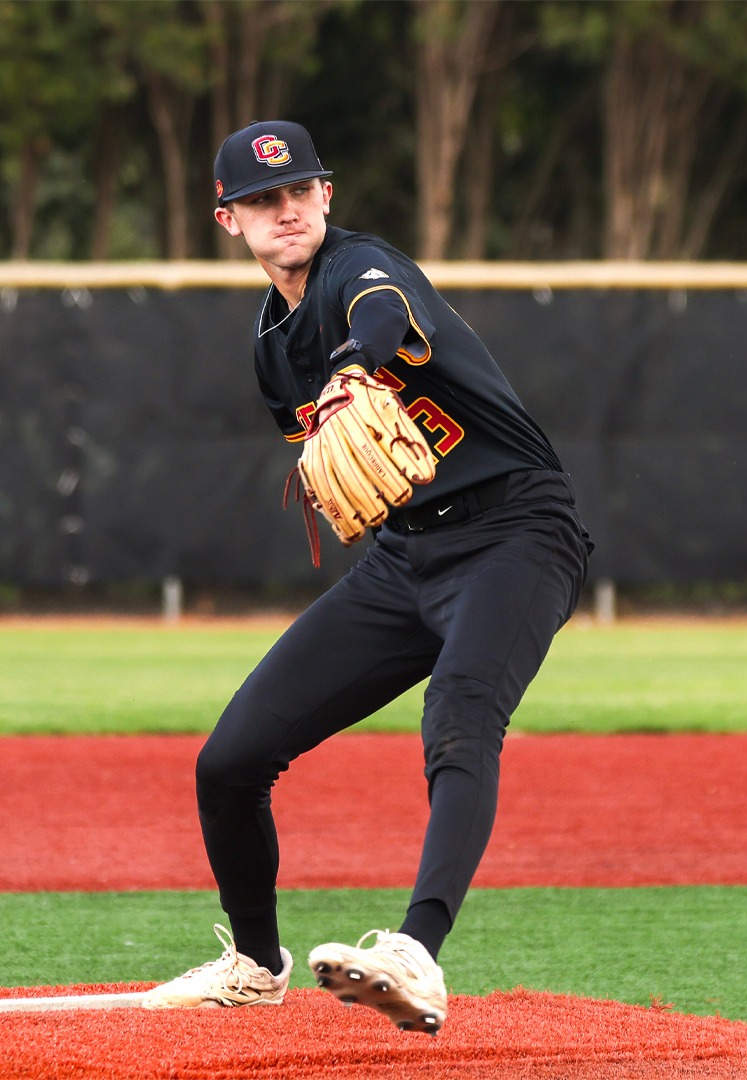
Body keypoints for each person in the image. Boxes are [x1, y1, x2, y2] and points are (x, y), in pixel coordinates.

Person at [141, 120, 591, 1035]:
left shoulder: (358, 268)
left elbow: (379, 319)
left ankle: (416, 956)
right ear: (229, 221)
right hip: (406, 558)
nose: (287, 209)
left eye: (300, 189)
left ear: (327, 197)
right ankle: (254, 964)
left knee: (462, 715)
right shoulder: (269, 346)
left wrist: (352, 365)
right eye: (264, 199)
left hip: (517, 531)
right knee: (227, 761)